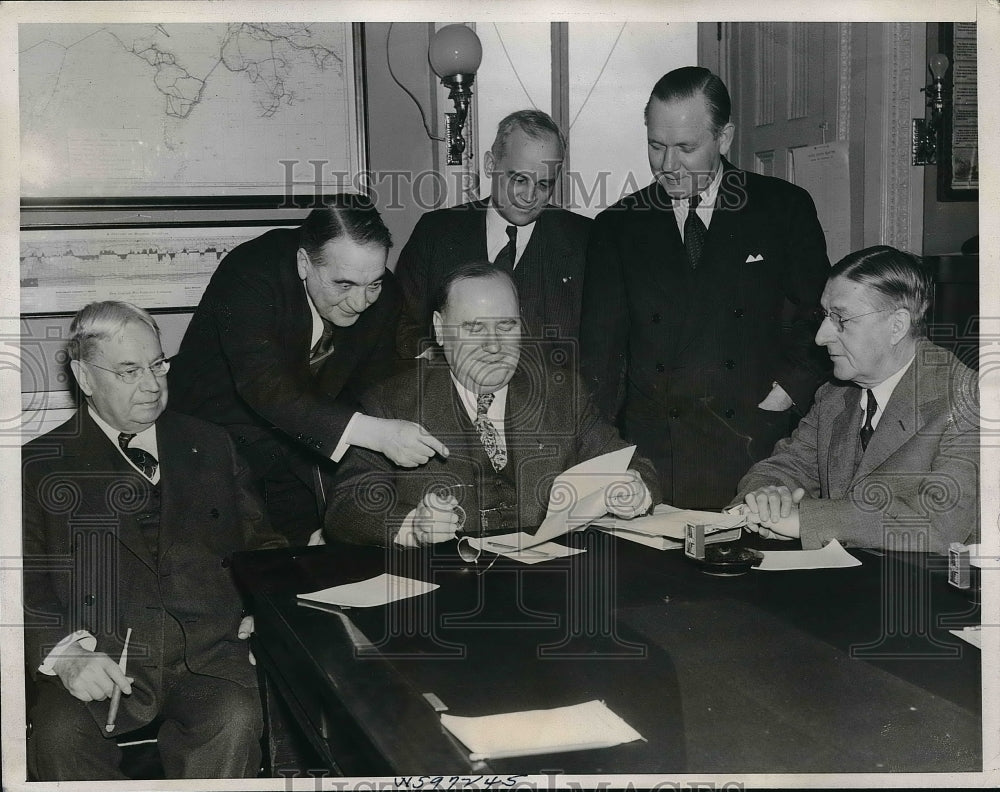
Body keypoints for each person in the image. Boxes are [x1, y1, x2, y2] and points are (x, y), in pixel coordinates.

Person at [22, 301, 287, 780]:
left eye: (157, 364)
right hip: (100, 660)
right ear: (84, 377)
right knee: (57, 735)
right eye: (129, 371)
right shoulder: (37, 465)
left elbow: (263, 547)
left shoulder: (210, 443)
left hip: (209, 659)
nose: (151, 385)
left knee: (236, 718)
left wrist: (261, 613)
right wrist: (64, 656)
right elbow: (19, 585)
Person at [580, 66, 830, 510]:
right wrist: (604, 456)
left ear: (725, 137)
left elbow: (821, 318)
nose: (668, 165)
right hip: (656, 459)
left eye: (685, 148)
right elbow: (601, 355)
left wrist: (788, 390)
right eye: (656, 147)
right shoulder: (617, 227)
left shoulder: (783, 208)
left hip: (754, 446)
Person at [168, 195, 447, 543]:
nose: (360, 303)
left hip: (299, 450)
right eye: (343, 285)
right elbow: (265, 387)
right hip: (209, 447)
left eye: (372, 284)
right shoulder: (251, 272)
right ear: (304, 263)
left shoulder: (383, 294)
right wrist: (379, 434)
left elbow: (369, 394)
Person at [325, 262, 659, 547]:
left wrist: (633, 490)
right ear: (440, 330)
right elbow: (347, 507)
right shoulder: (390, 403)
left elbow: (634, 465)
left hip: (550, 585)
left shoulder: (560, 393)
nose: (494, 346)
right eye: (474, 329)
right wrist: (412, 526)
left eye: (506, 326)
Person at [733, 246, 979, 555]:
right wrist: (766, 495)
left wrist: (805, 521)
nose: (821, 337)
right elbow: (786, 467)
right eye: (825, 316)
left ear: (897, 326)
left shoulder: (971, 398)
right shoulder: (835, 394)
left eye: (841, 319)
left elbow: (942, 526)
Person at [395, 109, 591, 359]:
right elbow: (404, 328)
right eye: (519, 179)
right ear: (490, 164)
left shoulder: (585, 239)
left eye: (544, 184)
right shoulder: (435, 232)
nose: (529, 197)